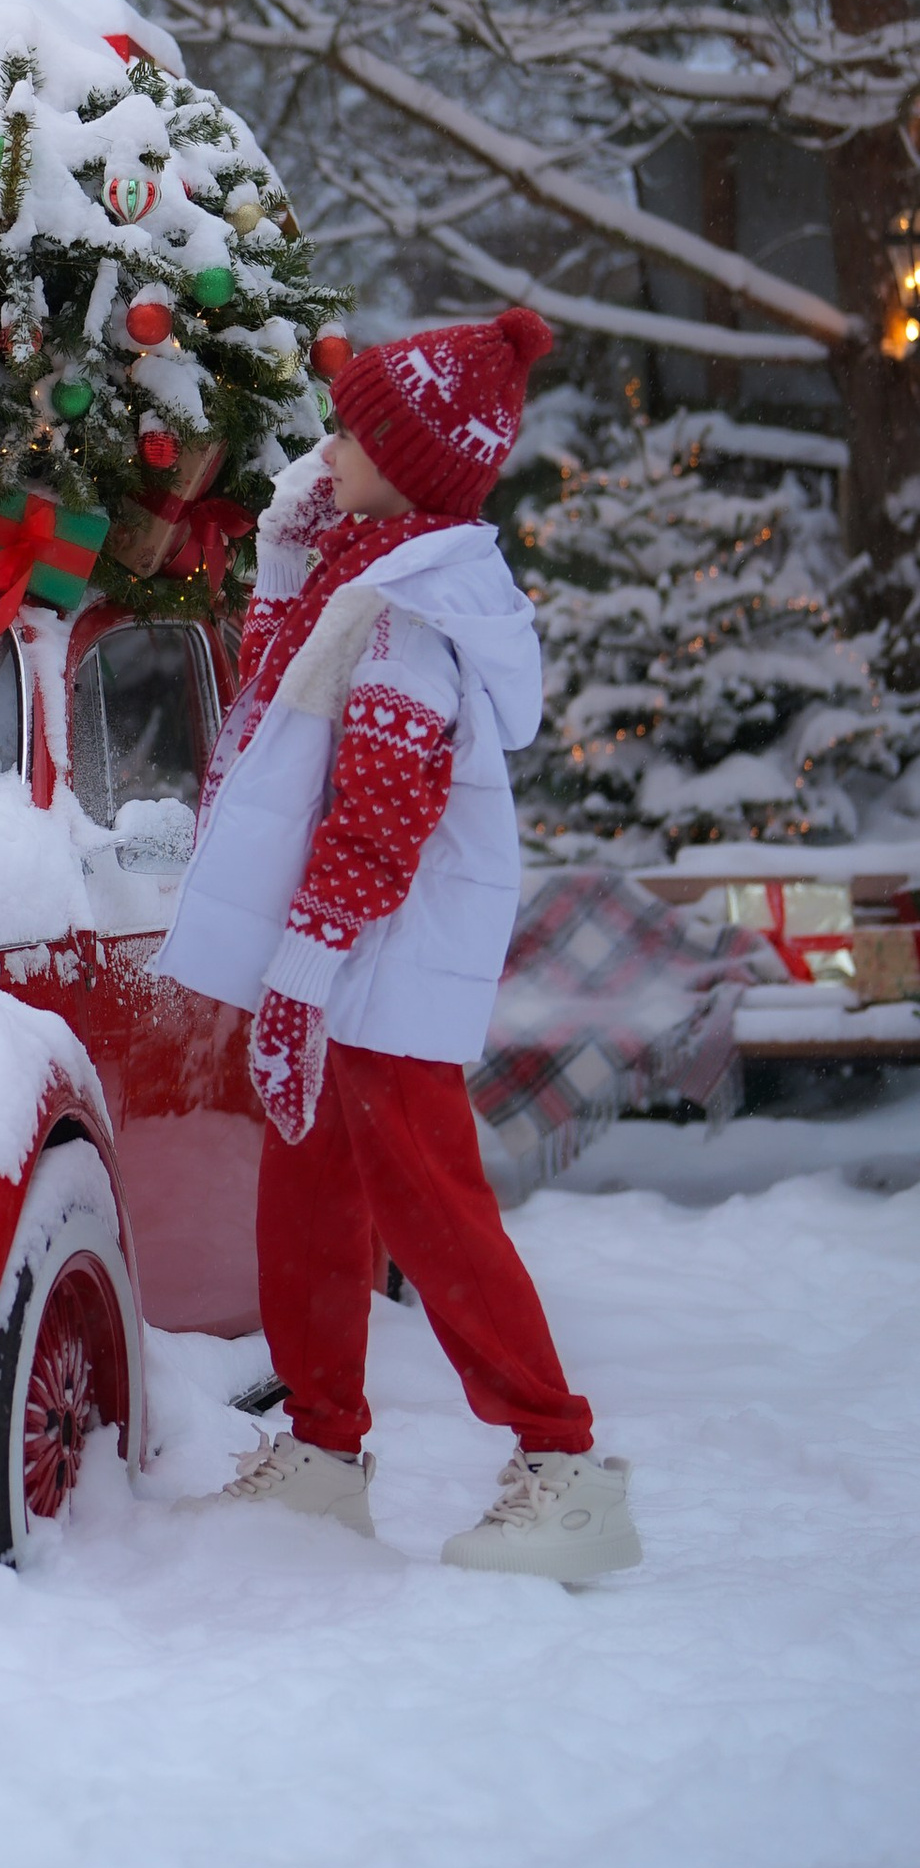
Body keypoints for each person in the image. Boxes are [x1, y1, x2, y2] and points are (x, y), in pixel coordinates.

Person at [158, 304, 641, 1583]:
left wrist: (311, 953)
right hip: (341, 948)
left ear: (412, 461)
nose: (331, 444)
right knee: (305, 1184)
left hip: (377, 949)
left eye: (357, 431)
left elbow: (381, 806)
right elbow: (274, 721)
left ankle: (563, 1463)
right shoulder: (358, 573)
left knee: (430, 1207)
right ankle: (320, 1455)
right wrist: (276, 558)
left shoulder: (413, 614)